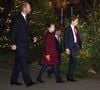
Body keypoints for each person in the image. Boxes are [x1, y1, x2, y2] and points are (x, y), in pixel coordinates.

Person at [10, 2, 37, 87]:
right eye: (29, 7)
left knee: (18, 63)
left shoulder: (26, 18)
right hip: (19, 44)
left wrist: (32, 37)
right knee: (24, 62)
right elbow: (13, 32)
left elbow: (28, 30)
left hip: (25, 44)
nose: (30, 9)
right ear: (24, 8)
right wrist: (13, 43)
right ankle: (28, 82)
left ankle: (13, 80)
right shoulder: (17, 18)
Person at [64, 15, 82, 82]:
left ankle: (69, 76)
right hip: (70, 47)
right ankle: (70, 76)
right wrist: (66, 48)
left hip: (75, 47)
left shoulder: (76, 28)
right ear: (72, 21)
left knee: (71, 62)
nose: (77, 22)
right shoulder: (67, 28)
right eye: (76, 21)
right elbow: (65, 39)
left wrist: (80, 45)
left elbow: (77, 37)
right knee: (75, 61)